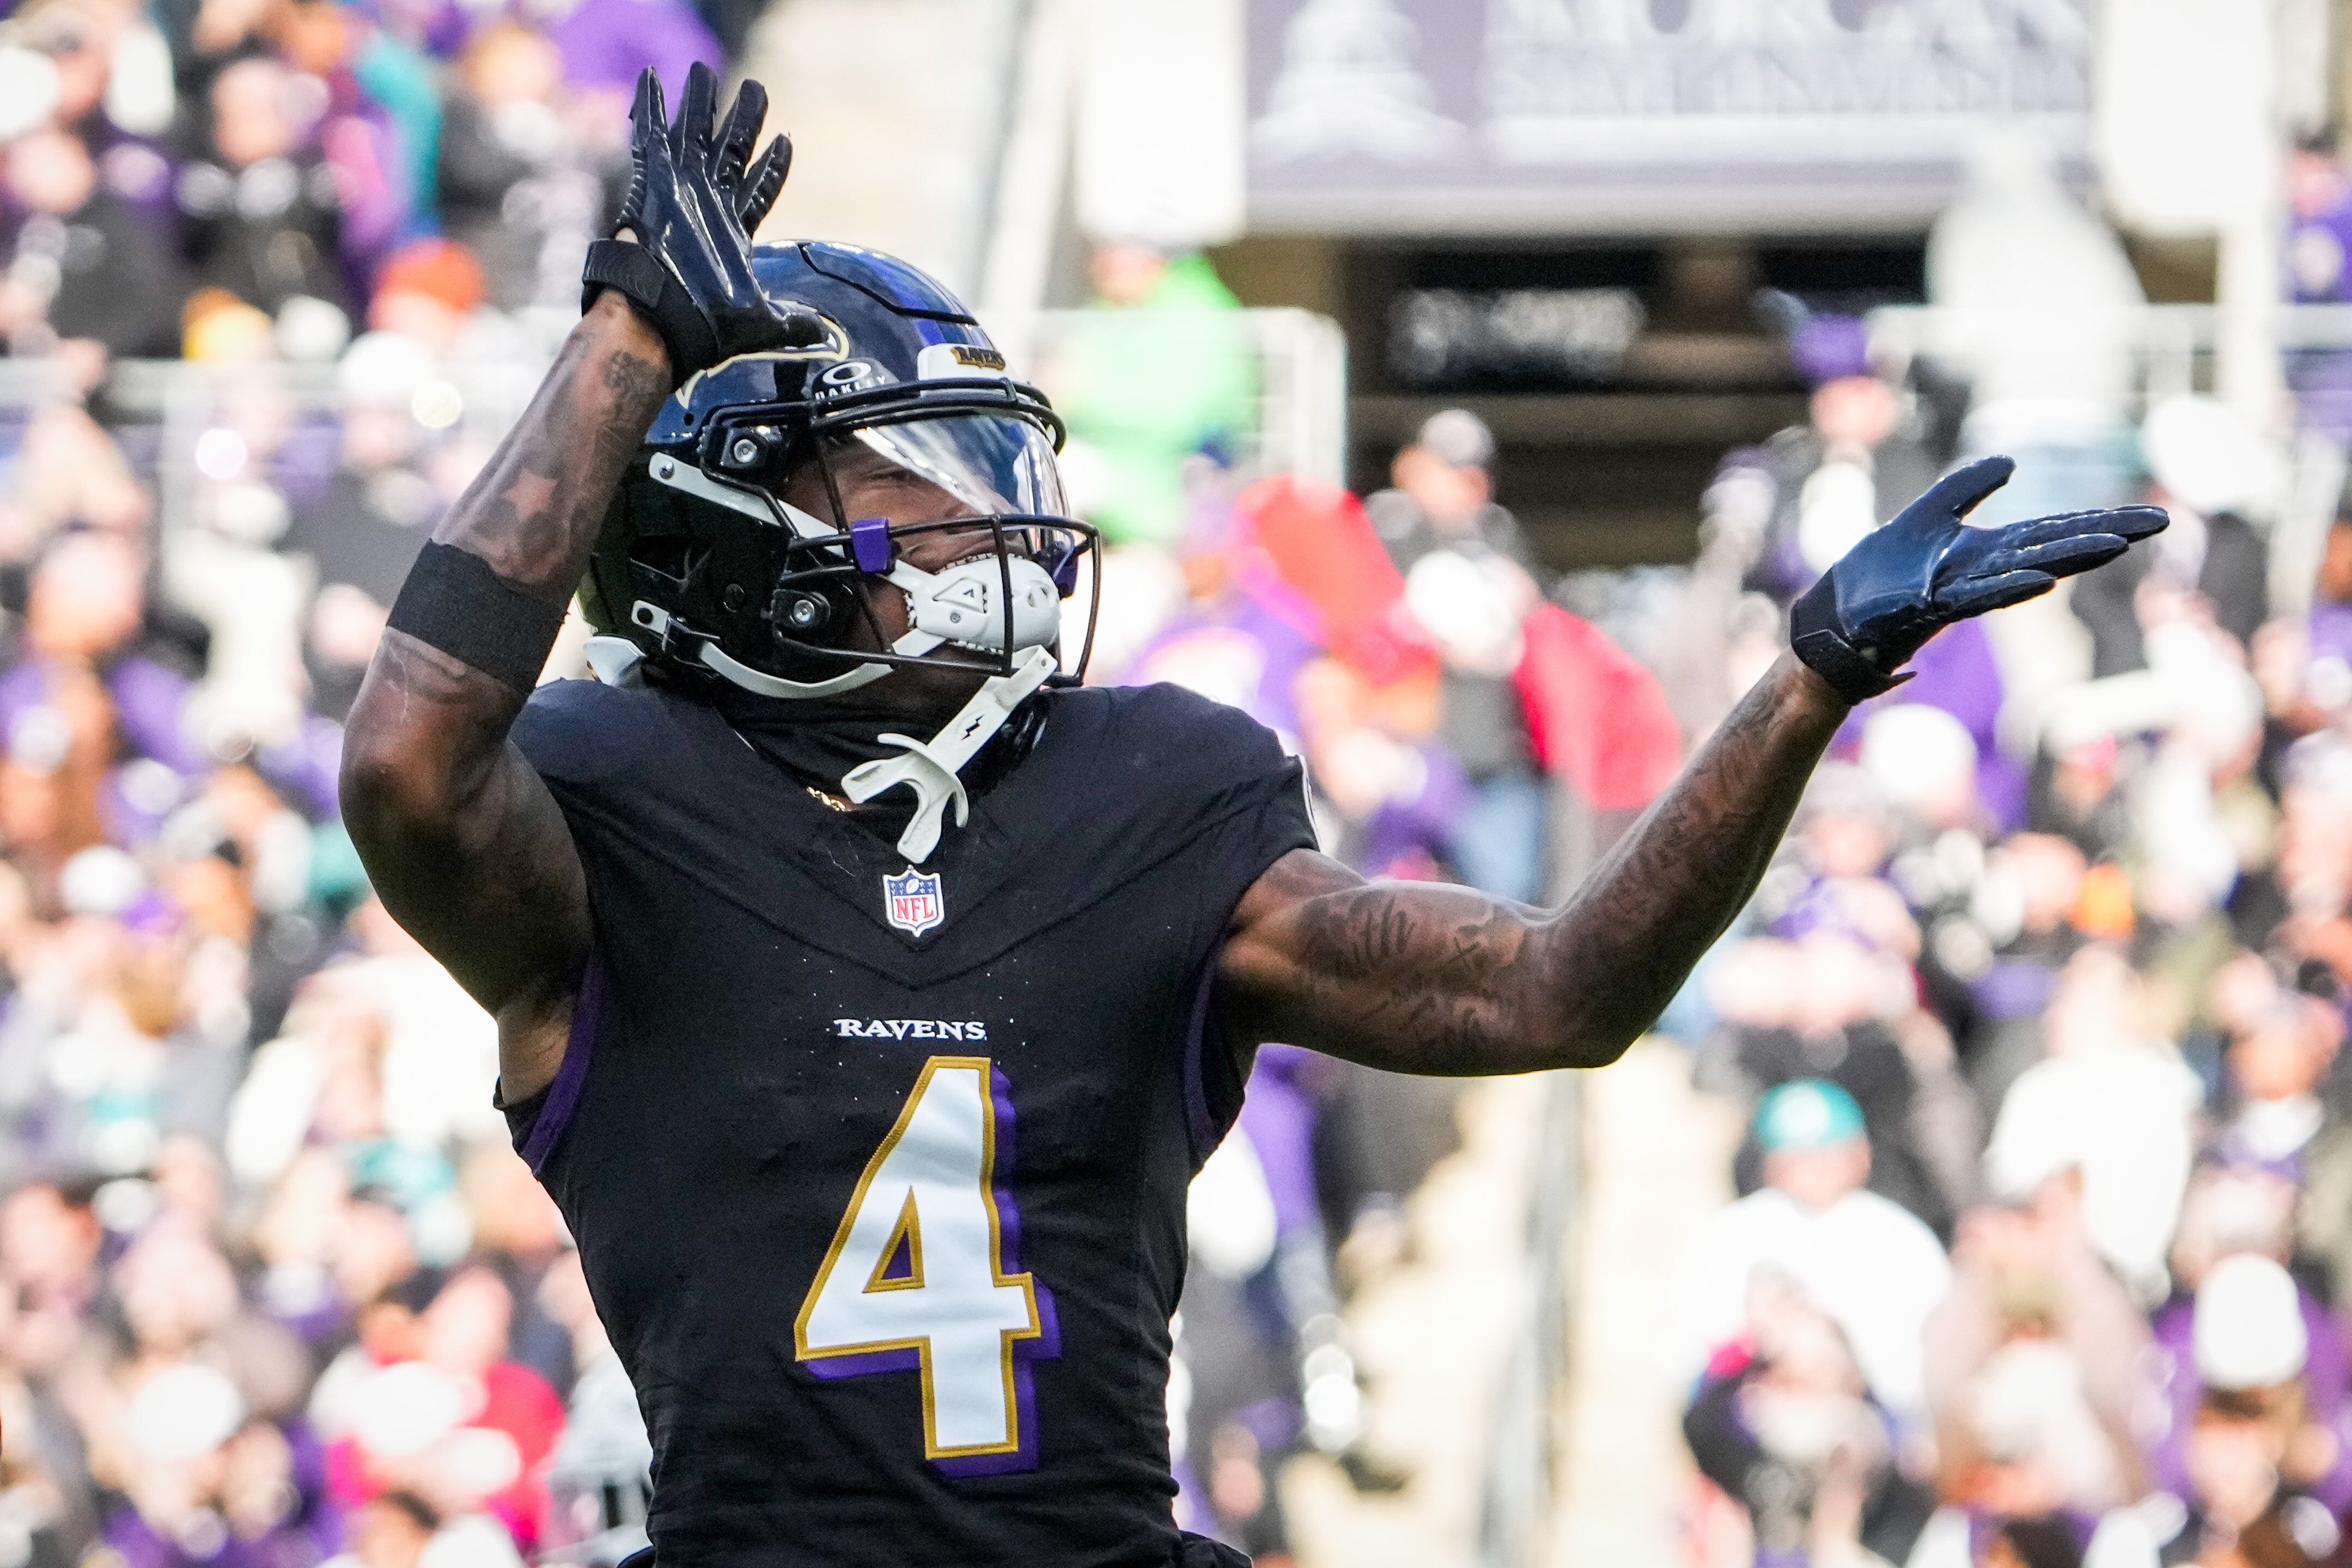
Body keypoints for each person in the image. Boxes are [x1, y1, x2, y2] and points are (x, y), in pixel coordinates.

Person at [335, 64, 2167, 1567]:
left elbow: (1559, 991)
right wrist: (629, 341)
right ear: (722, 539)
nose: (988, 527)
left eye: (984, 468)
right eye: (912, 484)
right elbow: (408, 762)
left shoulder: (1143, 787)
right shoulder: (614, 805)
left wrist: (1806, 685)